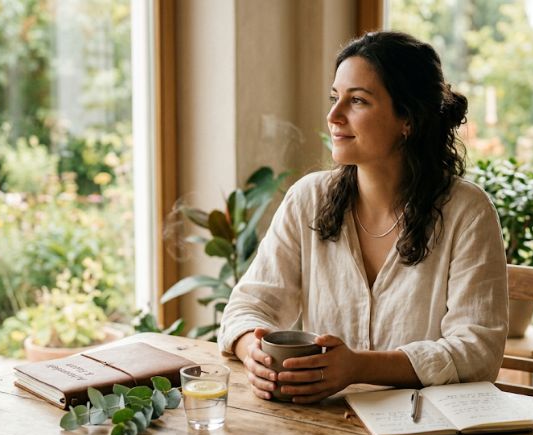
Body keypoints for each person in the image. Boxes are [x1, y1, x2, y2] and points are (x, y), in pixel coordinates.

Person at [218, 31, 508, 404]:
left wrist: (358, 367)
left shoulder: (467, 212)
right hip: (320, 428)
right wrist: (252, 352)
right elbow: (246, 306)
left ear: (409, 119)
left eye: (357, 101)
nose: (333, 116)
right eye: (335, 98)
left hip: (425, 434)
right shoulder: (308, 199)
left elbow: (478, 352)